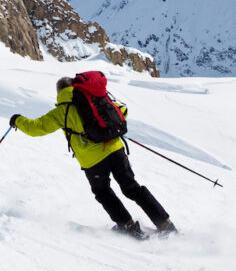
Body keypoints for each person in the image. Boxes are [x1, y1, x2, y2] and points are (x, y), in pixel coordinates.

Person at [10, 75, 177, 238]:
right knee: (132, 188)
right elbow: (123, 111)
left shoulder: (61, 111)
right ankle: (165, 224)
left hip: (93, 162)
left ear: (59, 92)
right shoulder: (96, 99)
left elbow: (36, 128)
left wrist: (17, 120)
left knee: (103, 192)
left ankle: (127, 226)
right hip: (116, 150)